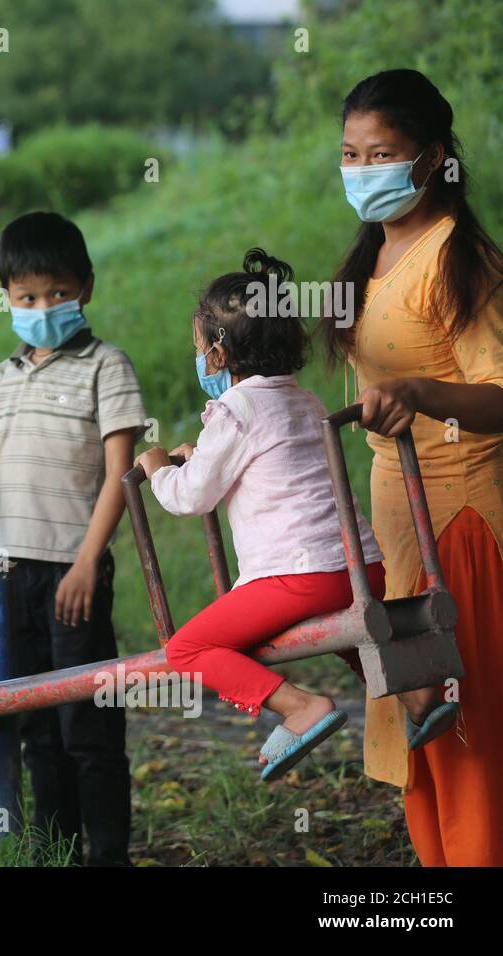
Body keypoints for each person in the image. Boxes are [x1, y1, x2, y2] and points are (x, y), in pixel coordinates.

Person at [0, 211, 146, 864]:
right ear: (7, 298)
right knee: (36, 724)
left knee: (88, 726)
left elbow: (121, 473)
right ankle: (57, 850)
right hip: (14, 578)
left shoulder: (107, 366)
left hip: (76, 571)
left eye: (58, 293)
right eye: (28, 297)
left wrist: (88, 562)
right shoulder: (4, 377)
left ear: (86, 287)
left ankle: (107, 854)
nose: (43, 308)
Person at [323, 68, 503, 865]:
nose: (363, 171)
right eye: (351, 155)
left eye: (382, 154)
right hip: (399, 522)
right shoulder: (376, 252)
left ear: (432, 159)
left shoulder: (459, 260)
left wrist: (425, 391)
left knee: (467, 726)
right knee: (420, 733)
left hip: (459, 522)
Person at [135, 249, 391, 781]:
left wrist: (159, 466)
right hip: (363, 569)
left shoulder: (235, 410)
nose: (199, 358)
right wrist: (198, 452)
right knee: (348, 631)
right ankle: (413, 702)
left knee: (187, 649)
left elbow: (190, 497)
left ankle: (300, 707)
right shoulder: (306, 402)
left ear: (221, 355)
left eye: (200, 348)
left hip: (301, 577)